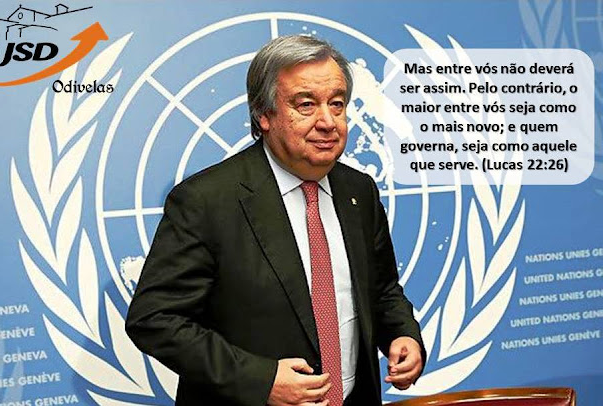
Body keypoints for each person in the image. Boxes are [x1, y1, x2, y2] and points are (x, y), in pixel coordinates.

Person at [125, 35, 425, 406]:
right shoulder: (205, 201)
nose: (327, 122)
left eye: (337, 104)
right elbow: (155, 319)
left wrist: (402, 334)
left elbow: (381, 289)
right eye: (306, 105)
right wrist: (261, 380)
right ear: (263, 115)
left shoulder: (359, 190)